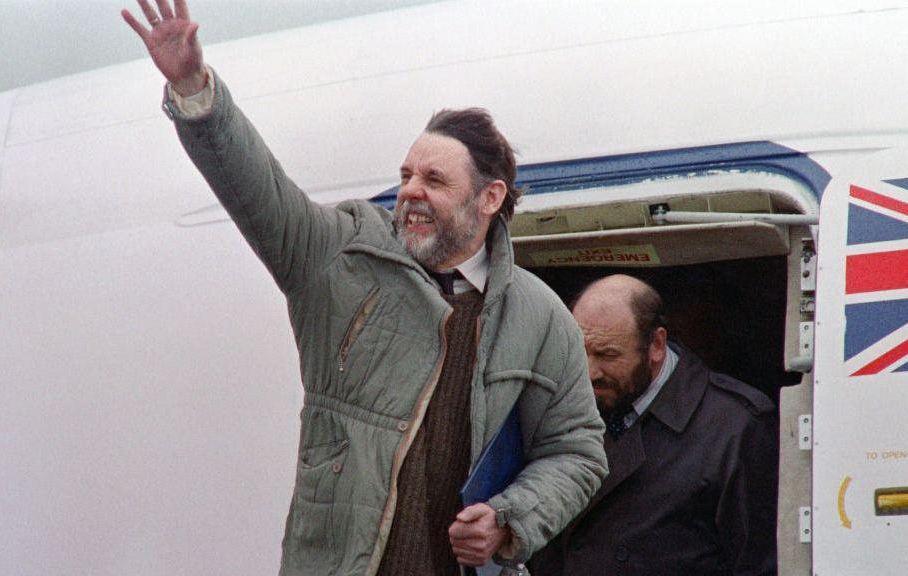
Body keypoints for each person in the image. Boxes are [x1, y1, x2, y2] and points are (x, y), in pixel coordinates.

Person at [121, 2, 608, 574]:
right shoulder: (340, 254)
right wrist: (194, 92)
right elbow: (257, 190)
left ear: (491, 198)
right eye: (405, 176)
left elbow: (577, 452)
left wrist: (510, 519)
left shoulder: (541, 317)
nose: (410, 193)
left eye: (434, 179)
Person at [529, 274, 778, 575]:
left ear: (656, 345)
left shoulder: (735, 429)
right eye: (578, 352)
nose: (589, 373)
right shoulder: (557, 406)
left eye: (607, 355)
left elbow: (760, 563)